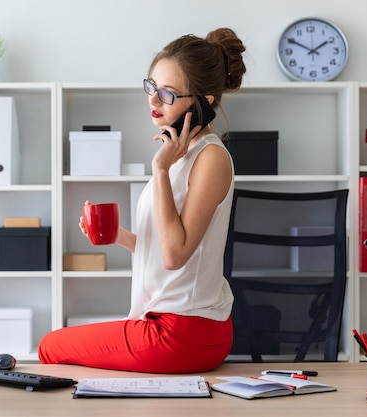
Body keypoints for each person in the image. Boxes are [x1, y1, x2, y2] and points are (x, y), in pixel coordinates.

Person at [38, 27, 247, 373]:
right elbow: (175, 247)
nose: (152, 100)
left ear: (203, 102)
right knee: (63, 352)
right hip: (175, 326)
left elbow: (175, 255)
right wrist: (119, 236)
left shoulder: (210, 158)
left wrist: (160, 168)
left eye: (167, 93)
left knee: (50, 347)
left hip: (183, 331)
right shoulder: (182, 153)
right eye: (151, 86)